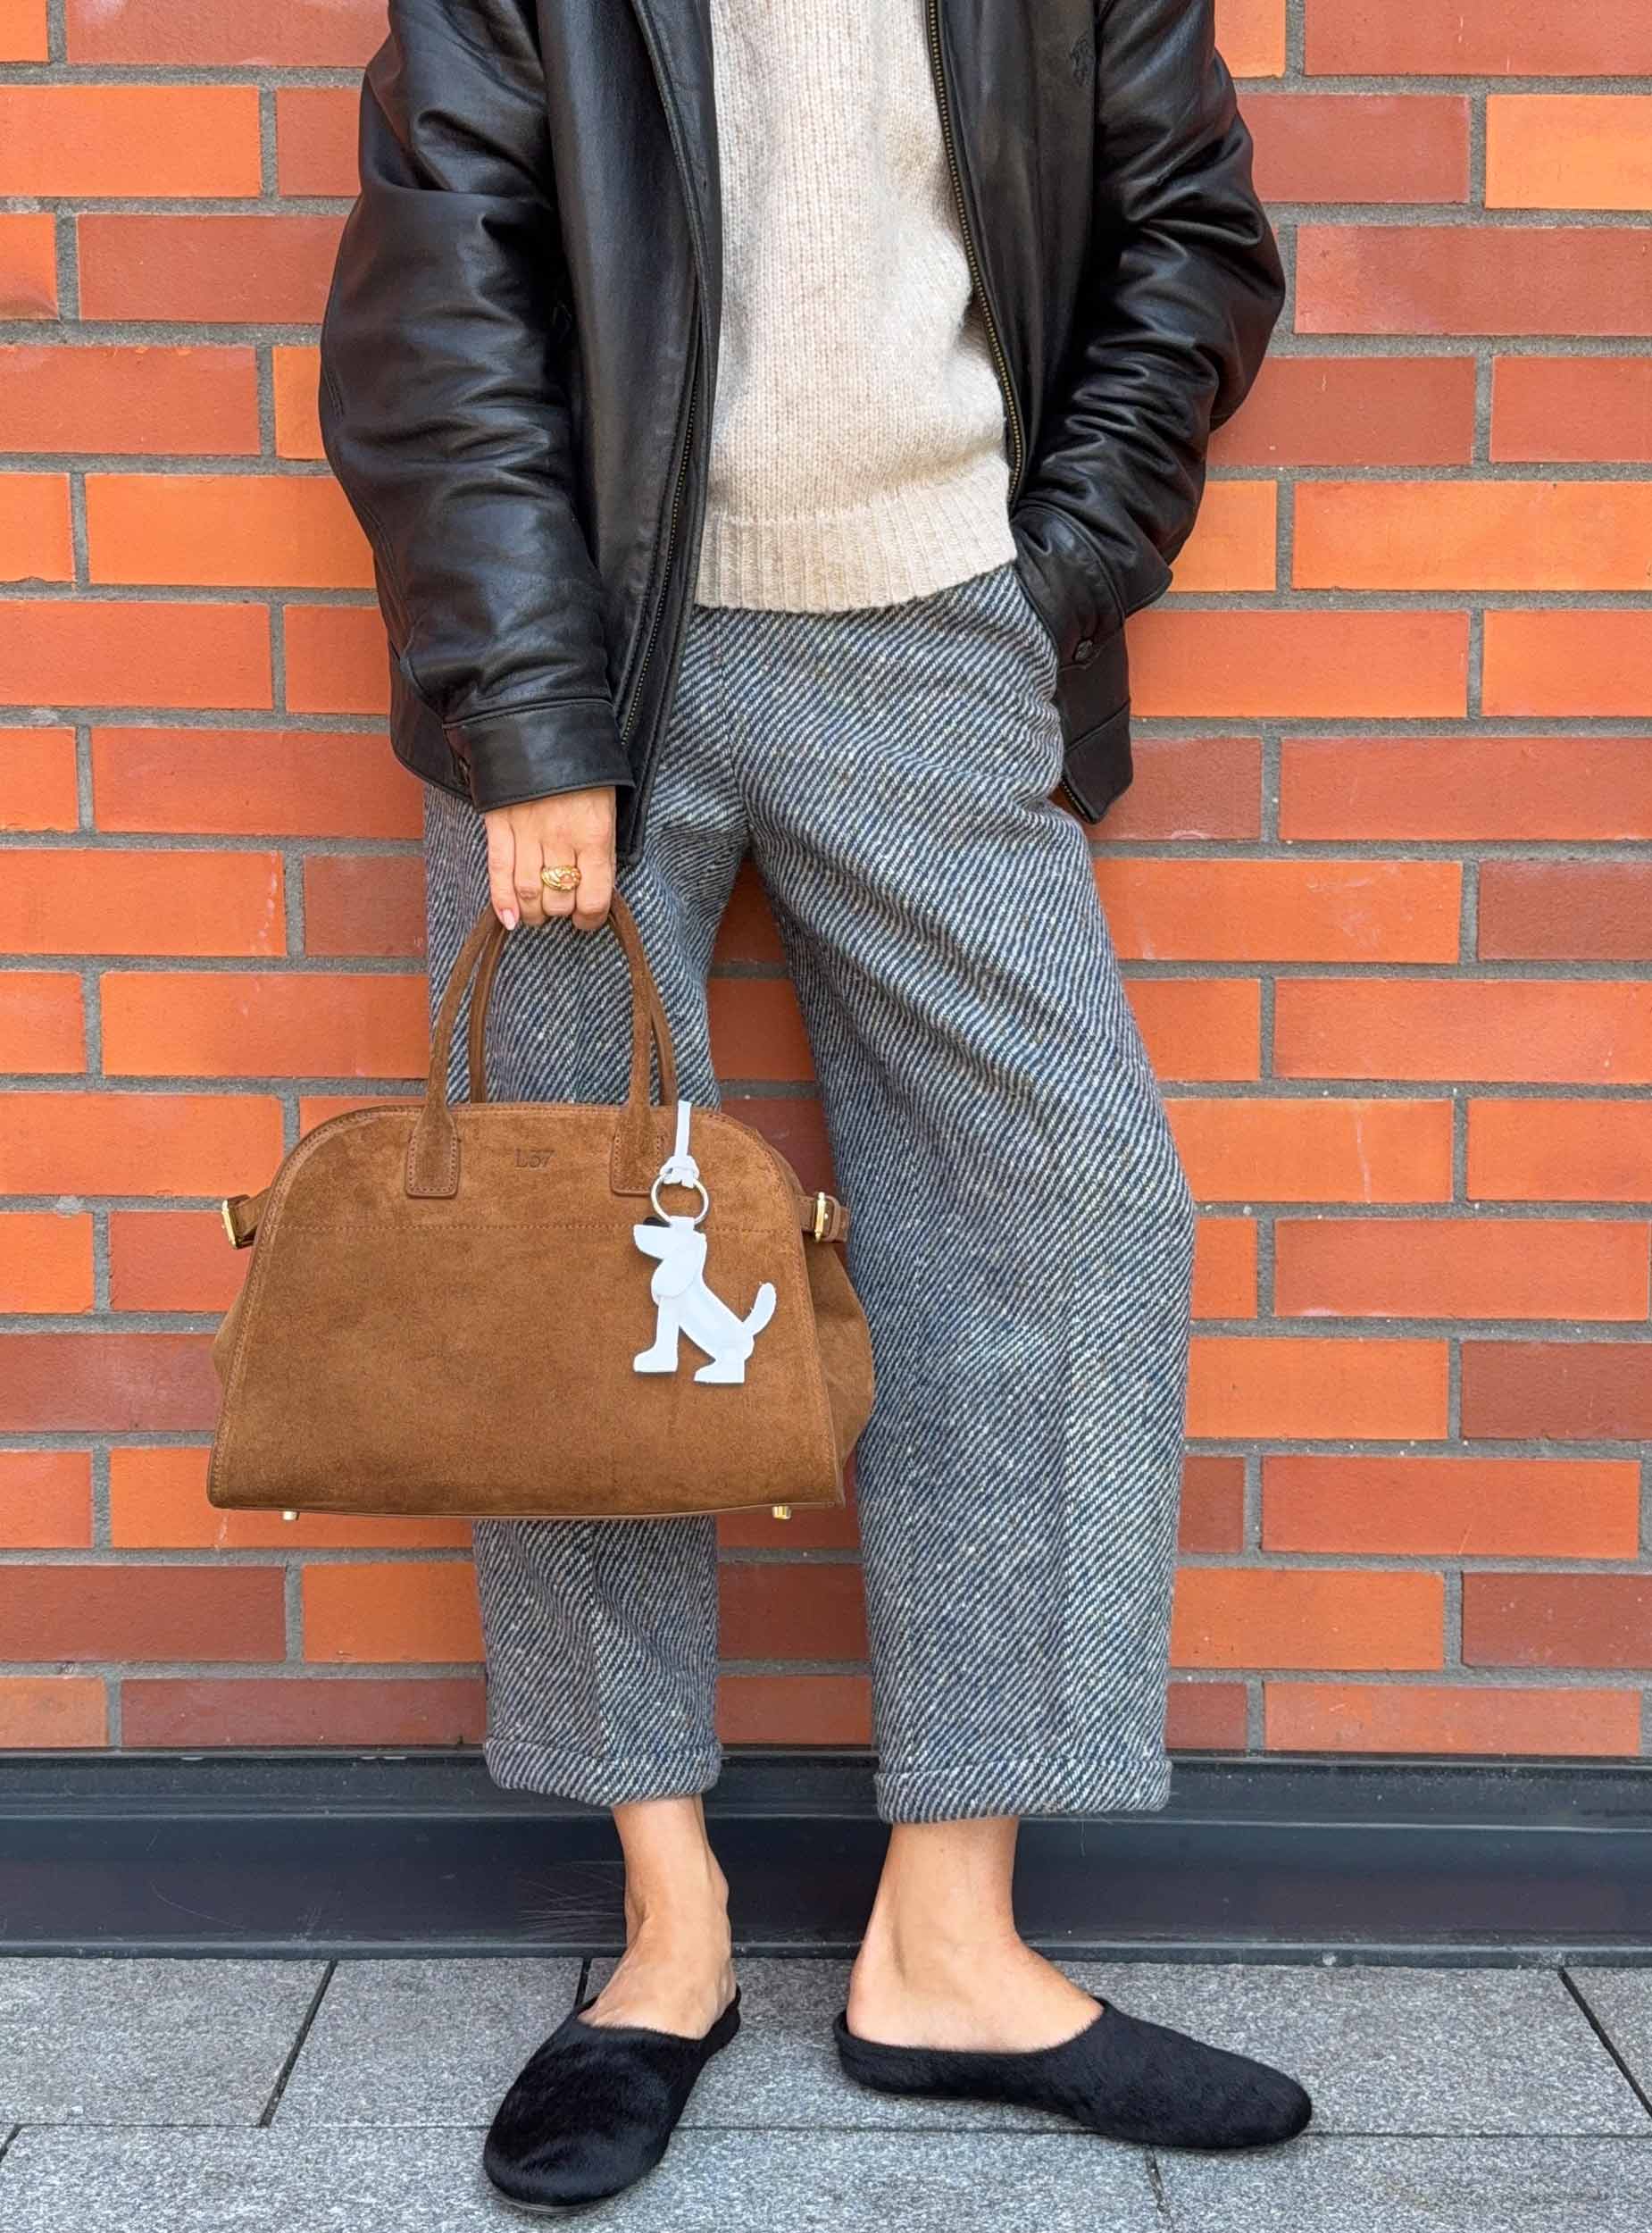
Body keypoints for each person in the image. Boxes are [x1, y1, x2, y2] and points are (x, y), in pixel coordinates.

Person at [319, 0, 1306, 2211]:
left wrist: (1060, 573)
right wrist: (525, 713)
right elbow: (434, 283)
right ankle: (664, 1936)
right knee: (576, 1270)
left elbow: (1193, 233)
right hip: (591, 658)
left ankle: (949, 1943)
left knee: (1069, 1198)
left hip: (943, 629)